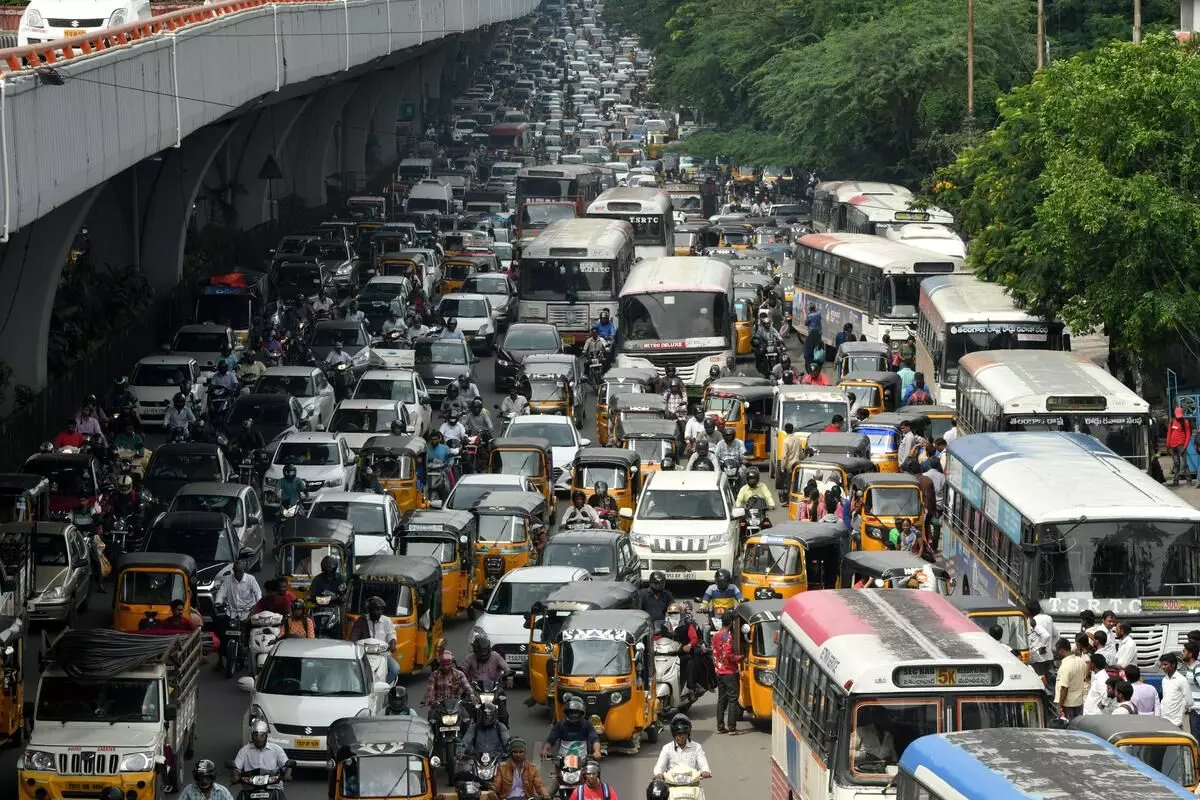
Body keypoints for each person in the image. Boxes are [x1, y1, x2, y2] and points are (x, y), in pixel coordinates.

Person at [213, 563, 261, 672]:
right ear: (233, 571)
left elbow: (257, 593)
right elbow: (221, 592)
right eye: (236, 571)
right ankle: (220, 660)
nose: (238, 573)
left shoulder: (250, 579)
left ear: (244, 571)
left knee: (252, 634)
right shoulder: (228, 580)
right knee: (221, 633)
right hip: (232, 612)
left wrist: (258, 604)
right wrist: (218, 602)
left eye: (240, 571)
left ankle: (252, 656)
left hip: (247, 612)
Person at [349, 595, 401, 683]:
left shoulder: (386, 621)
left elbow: (391, 635)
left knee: (395, 668)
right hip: (365, 654)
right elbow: (354, 635)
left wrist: (393, 644)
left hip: (383, 654)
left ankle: (385, 687)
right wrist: (354, 642)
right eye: (376, 610)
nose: (379, 612)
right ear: (370, 610)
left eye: (380, 610)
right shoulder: (362, 621)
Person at [653, 713, 711, 782]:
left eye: (684, 733)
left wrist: (705, 771)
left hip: (692, 785)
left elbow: (704, 764)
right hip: (672, 785)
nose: (681, 737)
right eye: (678, 734)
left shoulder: (697, 747)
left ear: (688, 733)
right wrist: (659, 774)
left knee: (700, 793)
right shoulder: (667, 748)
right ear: (674, 734)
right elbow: (659, 767)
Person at [541, 696, 602, 761]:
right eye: (571, 712)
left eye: (576, 712)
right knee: (555, 770)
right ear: (567, 712)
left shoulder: (586, 725)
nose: (573, 715)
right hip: (562, 761)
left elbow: (595, 739)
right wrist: (545, 750)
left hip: (582, 761)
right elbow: (550, 740)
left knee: (593, 769)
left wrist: (597, 751)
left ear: (581, 713)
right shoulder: (560, 725)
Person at [232, 719, 291, 786]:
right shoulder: (245, 750)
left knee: (280, 796)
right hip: (250, 786)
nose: (258, 738)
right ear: (252, 736)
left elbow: (287, 764)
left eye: (262, 736)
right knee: (240, 796)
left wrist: (287, 775)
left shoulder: (276, 749)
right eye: (256, 735)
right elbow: (236, 767)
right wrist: (235, 776)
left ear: (266, 736)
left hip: (272, 786)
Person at [711, 611, 741, 735]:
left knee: (721, 700)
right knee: (733, 699)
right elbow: (728, 655)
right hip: (729, 672)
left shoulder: (716, 635)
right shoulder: (727, 637)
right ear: (731, 623)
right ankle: (732, 728)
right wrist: (740, 658)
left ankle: (720, 726)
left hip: (719, 672)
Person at [851, 705, 898, 773]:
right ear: (874, 717)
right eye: (880, 716)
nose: (883, 719)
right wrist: (866, 756)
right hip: (861, 773)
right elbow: (848, 753)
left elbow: (894, 759)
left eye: (885, 716)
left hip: (882, 774)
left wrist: (889, 760)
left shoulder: (889, 736)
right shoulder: (860, 731)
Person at [1055, 636, 1089, 720]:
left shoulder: (1065, 666)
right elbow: (1085, 677)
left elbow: (1064, 688)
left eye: (1057, 651)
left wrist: (1059, 706)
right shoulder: (1081, 661)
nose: (1057, 654)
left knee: (1068, 729)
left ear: (1062, 650)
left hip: (1067, 705)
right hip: (1079, 703)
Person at [1027, 600, 1057, 689]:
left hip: (1037, 657)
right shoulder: (1048, 618)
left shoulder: (1032, 621)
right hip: (1049, 656)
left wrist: (1040, 647)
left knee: (1040, 681)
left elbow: (1044, 636)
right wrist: (1051, 647)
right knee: (1050, 681)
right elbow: (1056, 634)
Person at [1170, 407, 1195, 486]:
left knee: (1184, 464)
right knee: (1176, 464)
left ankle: (1189, 480)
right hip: (1173, 446)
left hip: (1181, 446)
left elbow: (1188, 435)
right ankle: (1175, 481)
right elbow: (1169, 433)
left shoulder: (1185, 422)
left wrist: (1185, 447)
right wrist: (1168, 444)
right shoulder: (1172, 422)